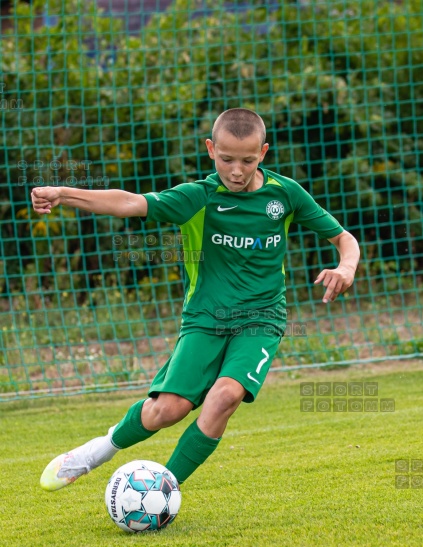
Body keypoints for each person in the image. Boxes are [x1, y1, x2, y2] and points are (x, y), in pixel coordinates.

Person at [31, 108, 360, 491]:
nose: (237, 170)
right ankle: (96, 451)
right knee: (166, 411)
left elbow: (343, 239)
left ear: (264, 153)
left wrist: (346, 269)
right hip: (204, 318)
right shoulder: (198, 198)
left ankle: (161, 492)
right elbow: (129, 203)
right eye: (227, 159)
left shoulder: (284, 195)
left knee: (225, 397)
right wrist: (62, 193)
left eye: (248, 160)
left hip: (262, 319)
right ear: (210, 149)